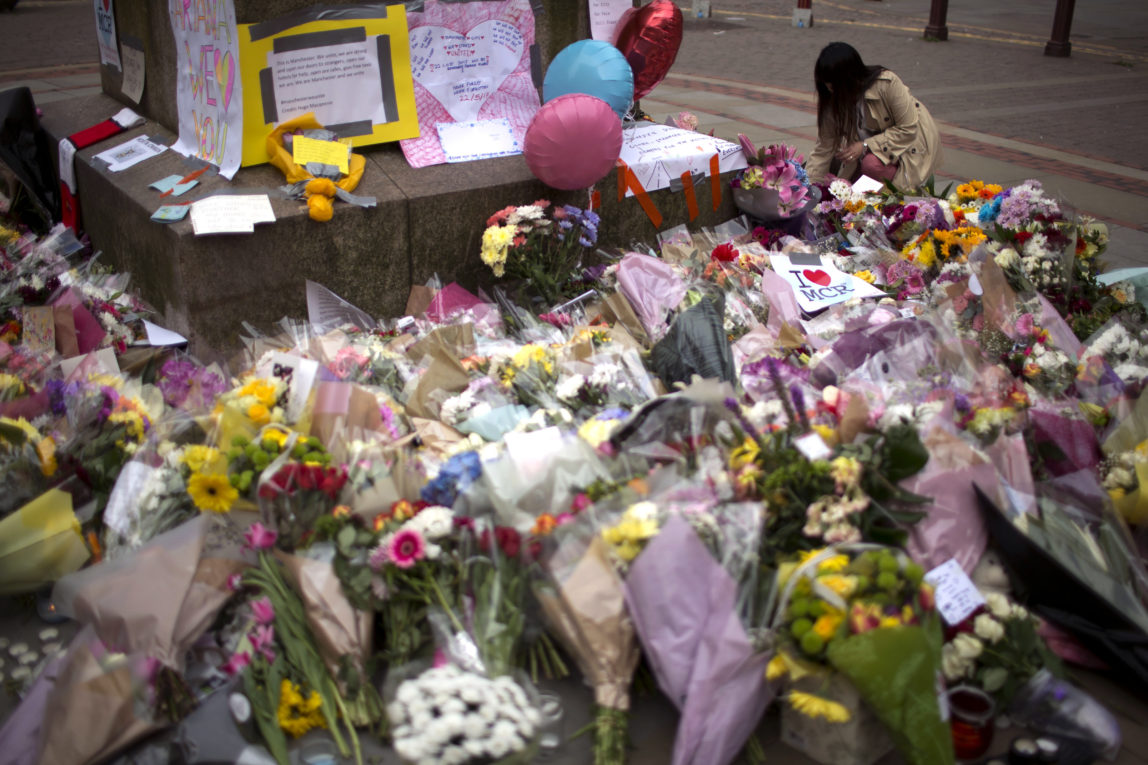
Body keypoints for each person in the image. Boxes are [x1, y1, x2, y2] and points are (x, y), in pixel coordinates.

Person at [806, 42, 943, 189]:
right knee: (845, 189)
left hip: (909, 149)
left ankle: (893, 190)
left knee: (871, 165)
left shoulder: (887, 84)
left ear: (849, 79)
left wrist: (865, 146)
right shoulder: (832, 99)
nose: (831, 92)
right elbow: (823, 148)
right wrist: (808, 188)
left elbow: (908, 129)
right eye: (827, 87)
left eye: (834, 87)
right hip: (872, 153)